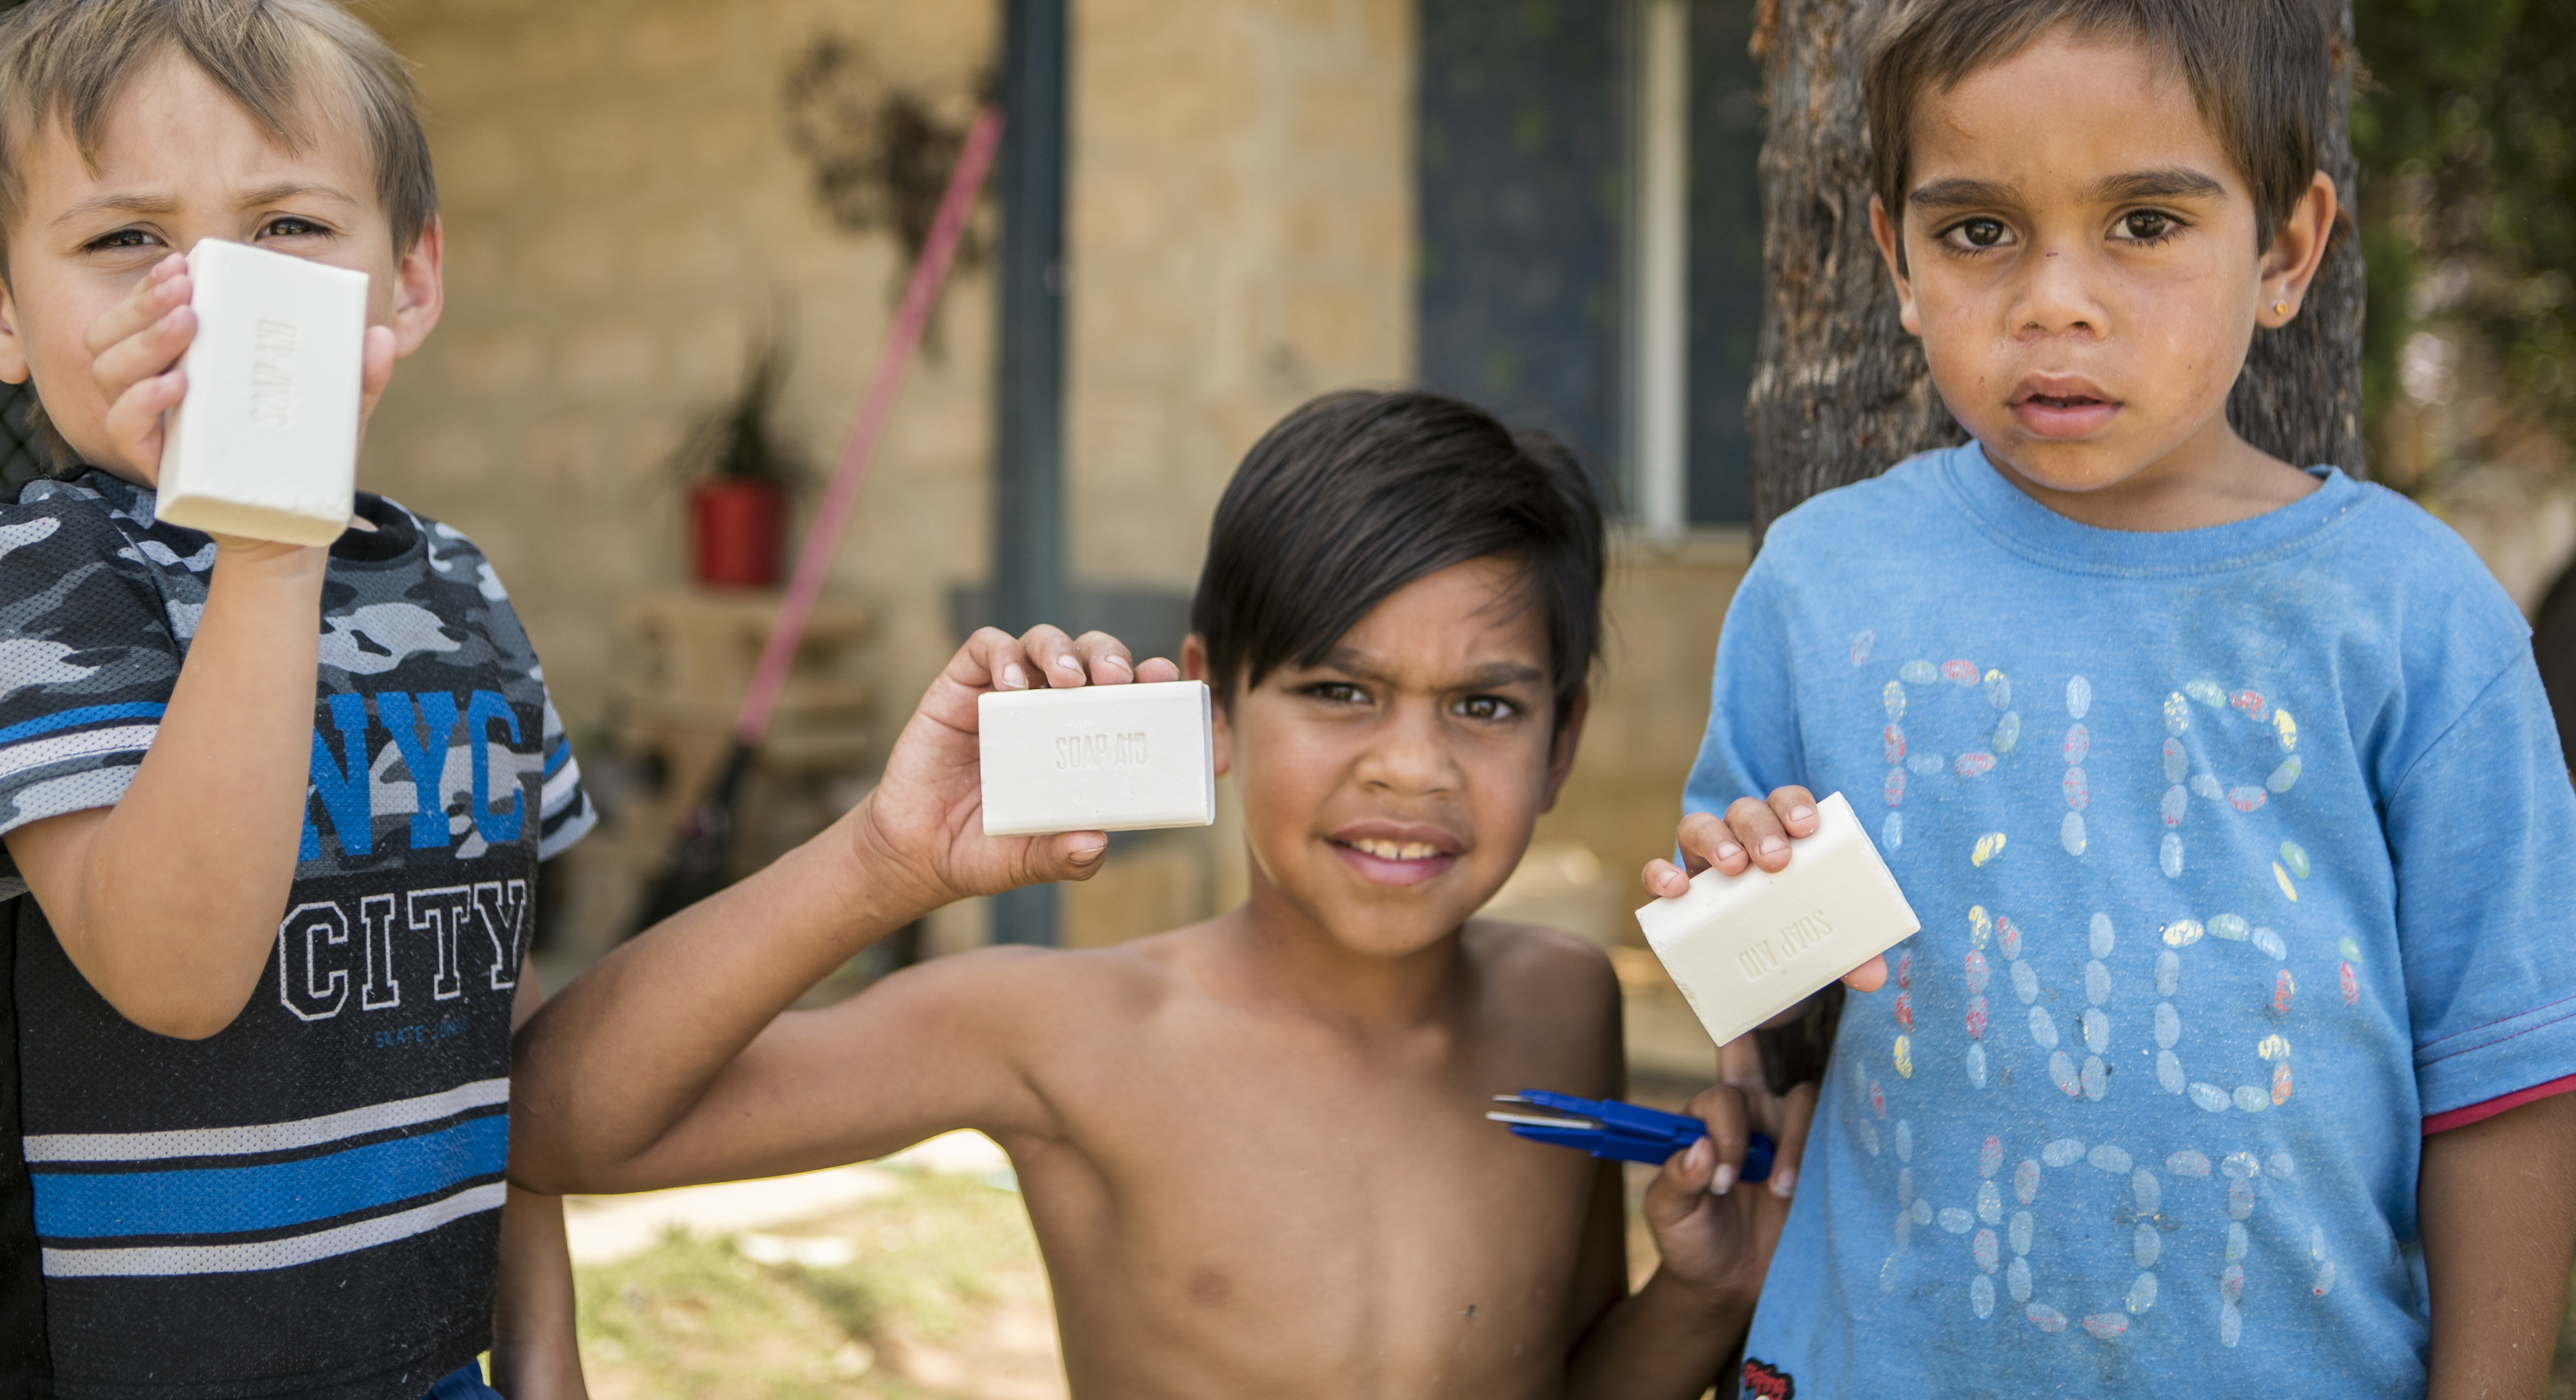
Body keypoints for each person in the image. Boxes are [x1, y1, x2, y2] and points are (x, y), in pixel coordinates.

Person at [1642, 0, 2576, 1397]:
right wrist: (1739, 915)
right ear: (1892, 258)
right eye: (1977, 232)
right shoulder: (1824, 582)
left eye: (2144, 223)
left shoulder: (2408, 616)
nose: (2053, 302)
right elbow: (1757, 993)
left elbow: (2506, 1076)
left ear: (2284, 253)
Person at [512, 389, 1874, 1396]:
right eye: (1338, 691)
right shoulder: (1069, 1033)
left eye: (1482, 705)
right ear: (1214, 705)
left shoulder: (1557, 1002)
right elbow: (563, 1128)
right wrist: (885, 860)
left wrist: (1703, 1301)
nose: (1412, 766)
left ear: (1561, 740)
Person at [0, 0, 590, 1398]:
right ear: (6, 315)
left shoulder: (452, 587)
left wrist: (546, 1352)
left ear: (414, 277)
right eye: (127, 237)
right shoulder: (40, 578)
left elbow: (488, 1033)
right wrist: (269, 538)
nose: (212, 294)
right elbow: (176, 975)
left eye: (287, 227)